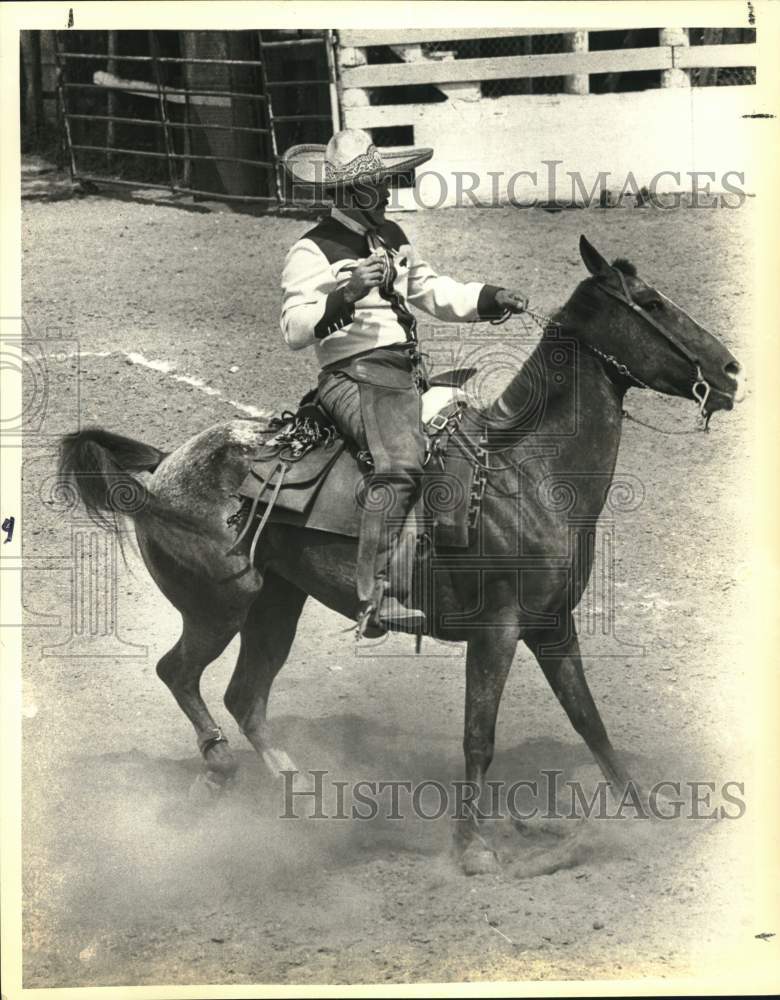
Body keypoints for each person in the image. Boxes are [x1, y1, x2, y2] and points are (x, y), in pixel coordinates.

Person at [280, 129, 528, 634]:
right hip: (352, 377)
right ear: (349, 193)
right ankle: (373, 596)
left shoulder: (391, 236)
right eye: (377, 185)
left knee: (474, 440)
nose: (388, 191)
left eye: (385, 181)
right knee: (399, 464)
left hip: (401, 376)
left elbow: (432, 290)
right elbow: (293, 330)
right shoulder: (312, 251)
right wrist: (345, 294)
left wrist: (488, 297)